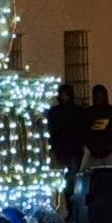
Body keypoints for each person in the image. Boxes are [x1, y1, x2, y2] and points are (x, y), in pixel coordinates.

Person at [47, 83, 85, 212]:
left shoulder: (77, 112)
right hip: (61, 152)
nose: (64, 97)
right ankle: (67, 209)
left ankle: (71, 210)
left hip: (72, 151)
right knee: (62, 183)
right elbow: (51, 131)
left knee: (70, 182)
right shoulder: (55, 112)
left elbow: (82, 131)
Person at [83, 84, 112, 168]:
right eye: (96, 96)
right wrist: (91, 146)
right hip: (95, 155)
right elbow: (83, 132)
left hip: (111, 154)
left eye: (101, 96)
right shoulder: (88, 113)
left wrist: (111, 145)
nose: (99, 98)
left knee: (109, 178)